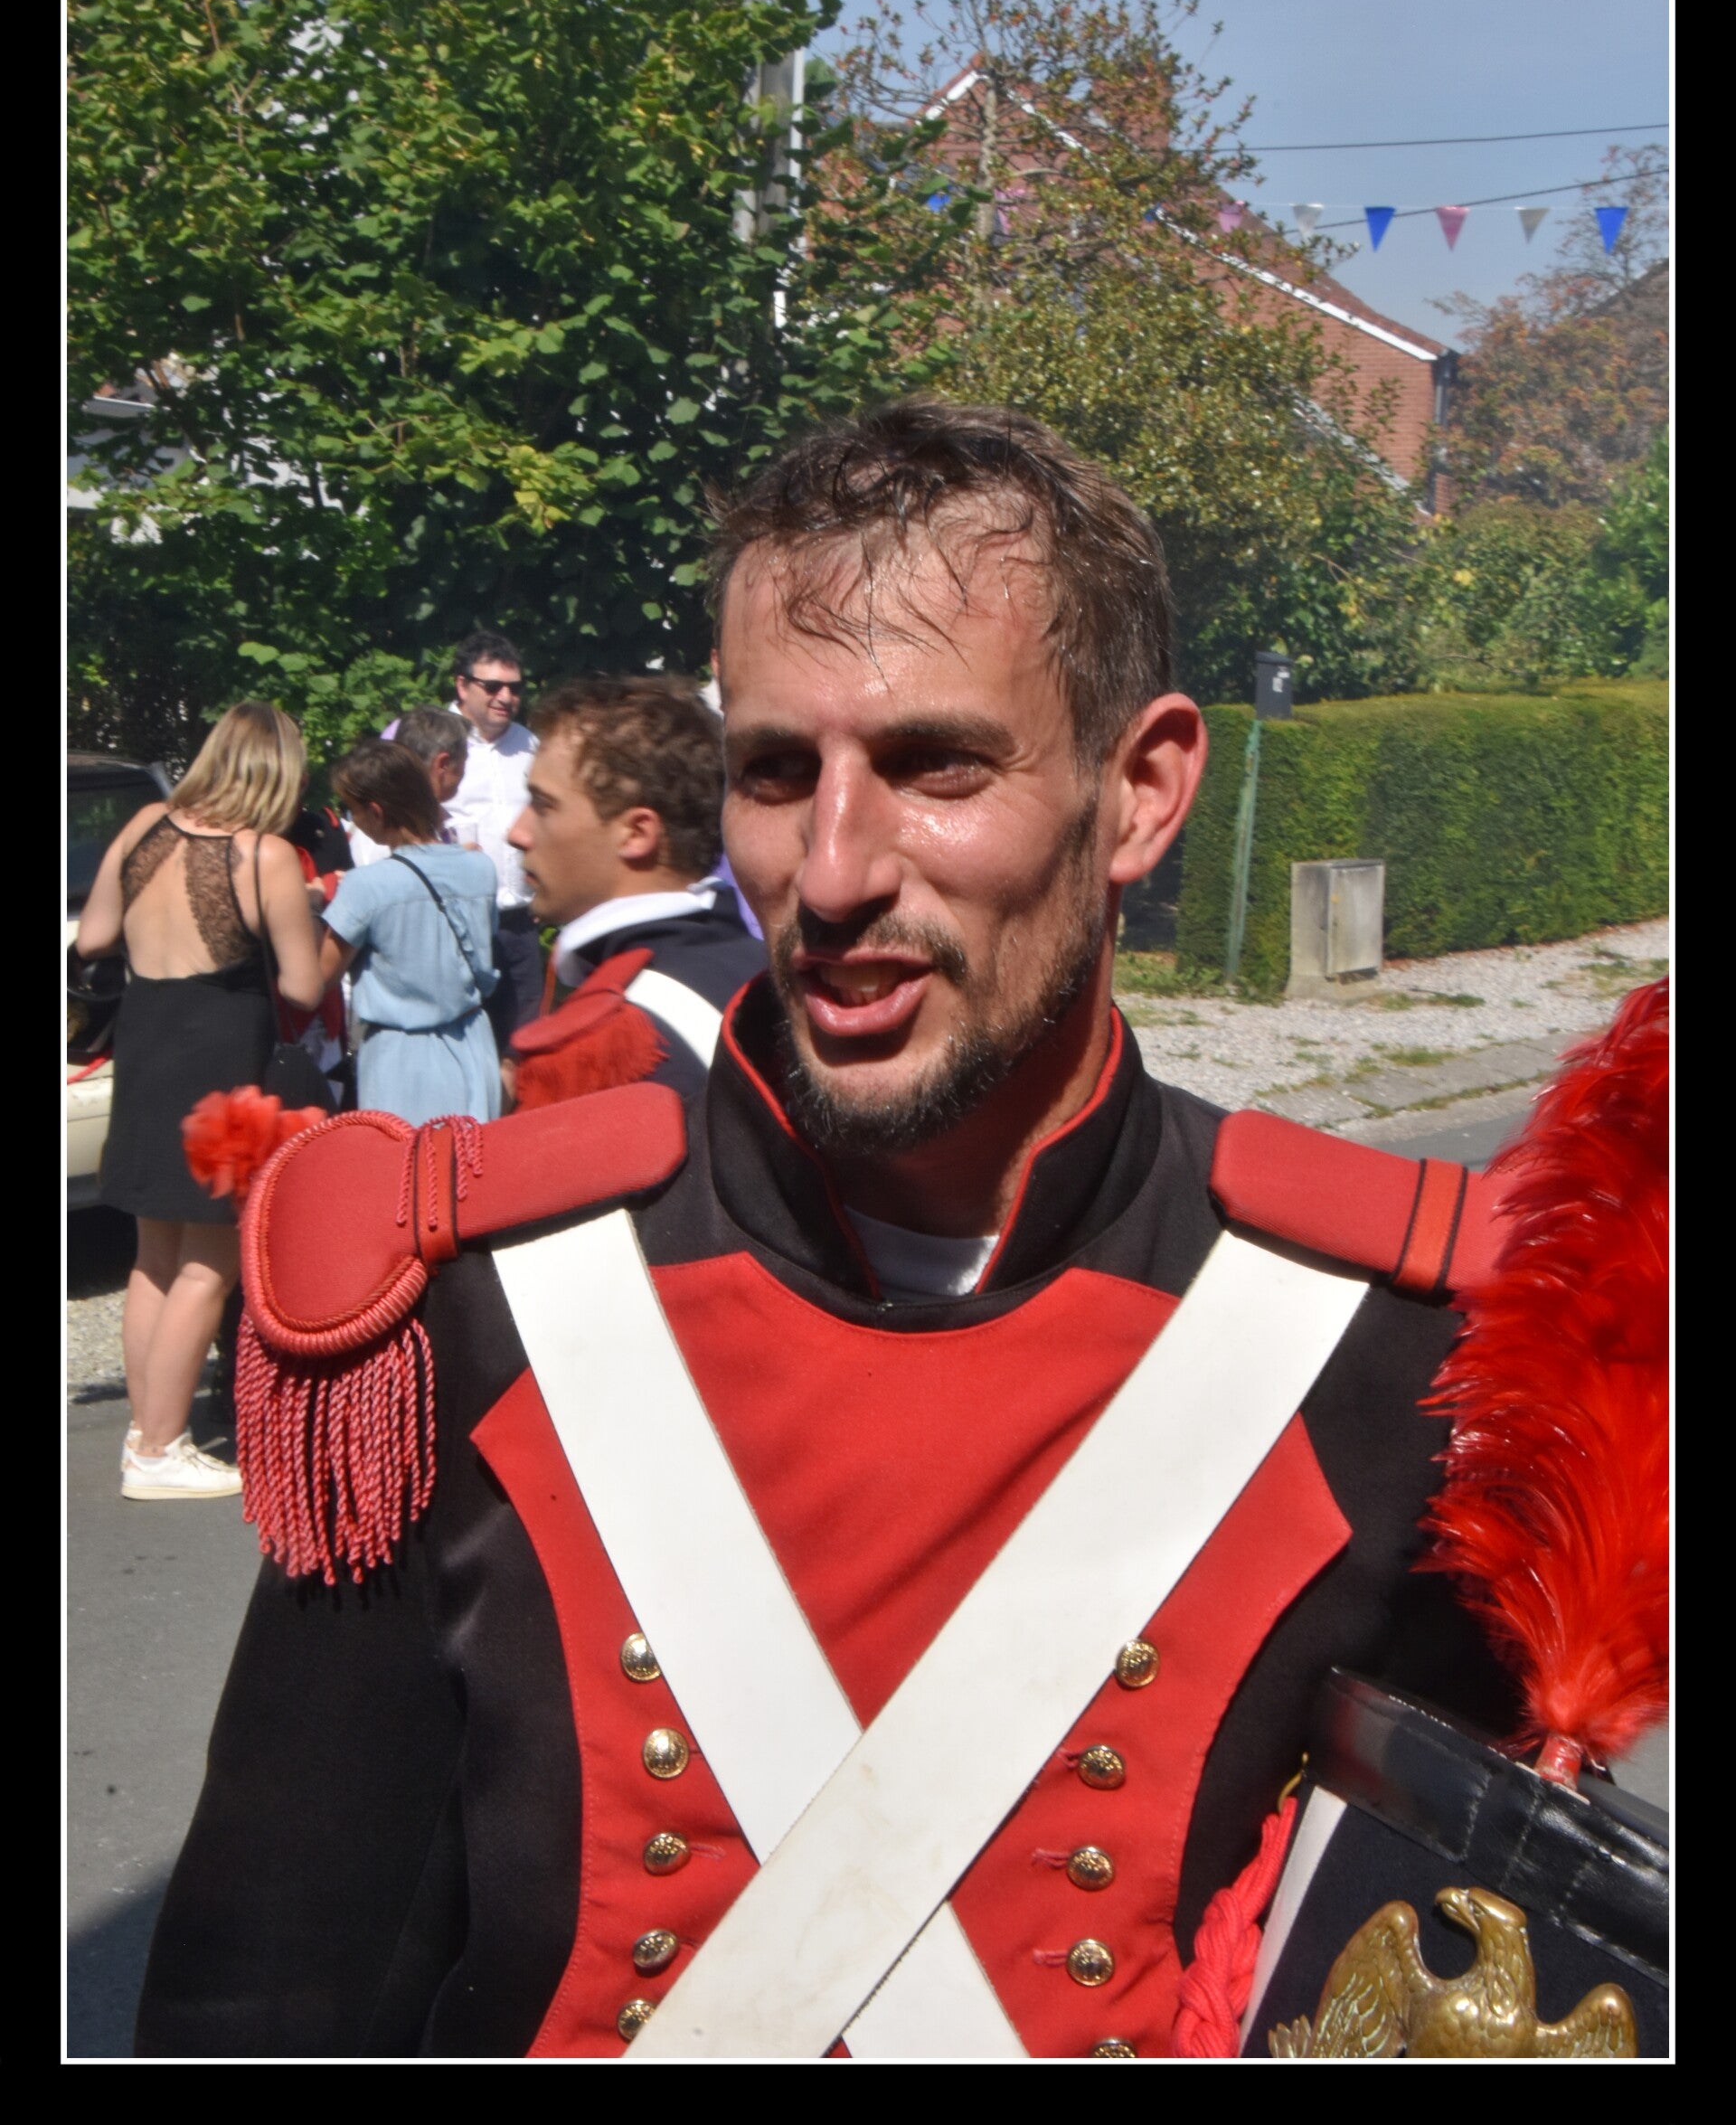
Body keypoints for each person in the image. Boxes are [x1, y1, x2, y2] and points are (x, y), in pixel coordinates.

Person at [139, 404, 1530, 2054]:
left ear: (1141, 793)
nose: (835, 868)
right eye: (778, 774)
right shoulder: (477, 1294)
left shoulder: (1405, 1355)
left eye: (940, 765)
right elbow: (275, 1990)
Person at [75, 702, 324, 1502]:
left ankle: (145, 1431)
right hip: (222, 1062)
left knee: (152, 1256)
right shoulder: (265, 856)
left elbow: (91, 939)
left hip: (146, 1045)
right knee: (209, 1264)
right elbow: (302, 985)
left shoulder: (144, 826)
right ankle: (160, 1447)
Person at [505, 676, 764, 1100]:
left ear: (636, 833)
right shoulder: (772, 976)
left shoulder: (599, 1047)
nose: (517, 833)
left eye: (543, 805)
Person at [319, 739, 502, 1127]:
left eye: (353, 809)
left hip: (400, 1062)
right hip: (475, 1044)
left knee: (409, 1163)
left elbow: (319, 978)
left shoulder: (366, 886)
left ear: (376, 811)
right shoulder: (482, 869)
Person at [442, 629, 542, 1036]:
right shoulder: (431, 739)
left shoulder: (530, 745)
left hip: (519, 923)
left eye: (514, 688)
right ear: (462, 685)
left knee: (524, 1040)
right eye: (493, 686)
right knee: (461, 1036)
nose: (506, 697)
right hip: (454, 921)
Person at [345, 706, 467, 869]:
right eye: (464, 760)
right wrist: (462, 865)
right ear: (443, 764)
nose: (465, 771)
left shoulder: (434, 820)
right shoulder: (383, 829)